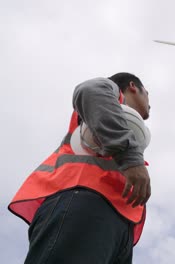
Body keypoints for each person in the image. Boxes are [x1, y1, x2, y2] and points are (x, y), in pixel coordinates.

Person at [8, 72, 152, 263]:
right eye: (147, 94)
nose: (150, 102)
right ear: (133, 86)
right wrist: (131, 157)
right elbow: (90, 90)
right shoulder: (108, 94)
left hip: (119, 225)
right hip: (86, 201)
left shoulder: (124, 129)